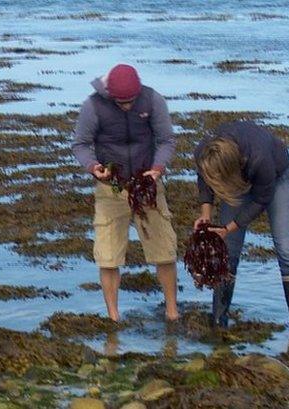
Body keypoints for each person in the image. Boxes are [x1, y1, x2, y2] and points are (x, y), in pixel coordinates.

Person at [72, 64, 179, 321]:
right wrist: (93, 167)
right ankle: (113, 316)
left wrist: (157, 168)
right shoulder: (93, 106)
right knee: (108, 256)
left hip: (147, 186)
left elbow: (166, 140)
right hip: (112, 187)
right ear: (110, 94)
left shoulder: (152, 99)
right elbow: (81, 144)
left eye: (131, 101)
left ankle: (173, 312)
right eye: (121, 102)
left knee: (165, 251)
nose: (127, 106)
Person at [193, 120, 289, 332]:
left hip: (277, 176)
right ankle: (219, 320)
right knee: (228, 252)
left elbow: (262, 199)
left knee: (287, 249)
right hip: (234, 176)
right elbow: (204, 178)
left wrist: (228, 228)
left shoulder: (259, 159)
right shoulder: (204, 151)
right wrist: (206, 215)